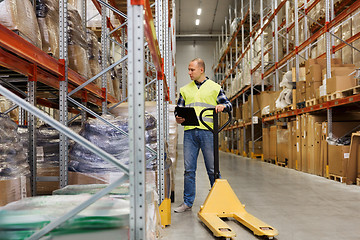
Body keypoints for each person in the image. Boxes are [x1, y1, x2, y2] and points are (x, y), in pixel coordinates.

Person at [174, 58, 232, 213]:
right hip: (190, 133)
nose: (189, 73)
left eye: (192, 70)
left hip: (208, 132)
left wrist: (222, 106)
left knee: (213, 169)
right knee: (189, 169)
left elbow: (229, 104)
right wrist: (178, 118)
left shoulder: (215, 87)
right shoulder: (185, 90)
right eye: (188, 69)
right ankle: (187, 202)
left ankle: (218, 200)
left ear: (201, 70)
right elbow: (178, 110)